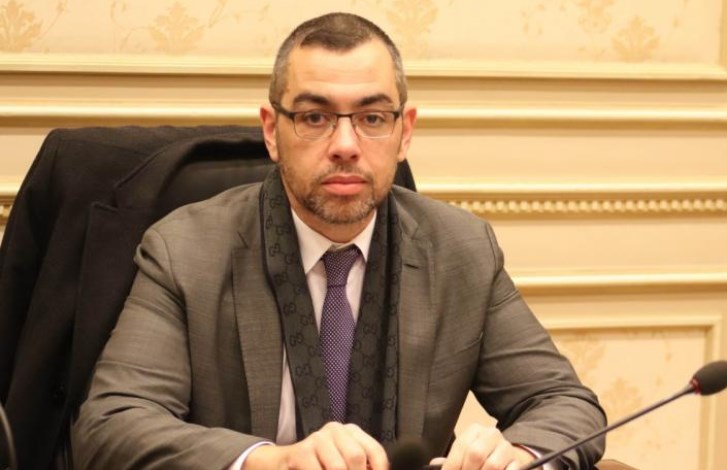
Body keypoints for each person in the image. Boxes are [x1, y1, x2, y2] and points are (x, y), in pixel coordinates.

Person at [72, 12, 606, 470]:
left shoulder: (460, 249)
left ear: (405, 131)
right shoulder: (185, 250)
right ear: (271, 131)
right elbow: (112, 424)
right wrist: (270, 461)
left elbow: (564, 402)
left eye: (372, 118)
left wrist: (517, 454)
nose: (346, 145)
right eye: (315, 117)